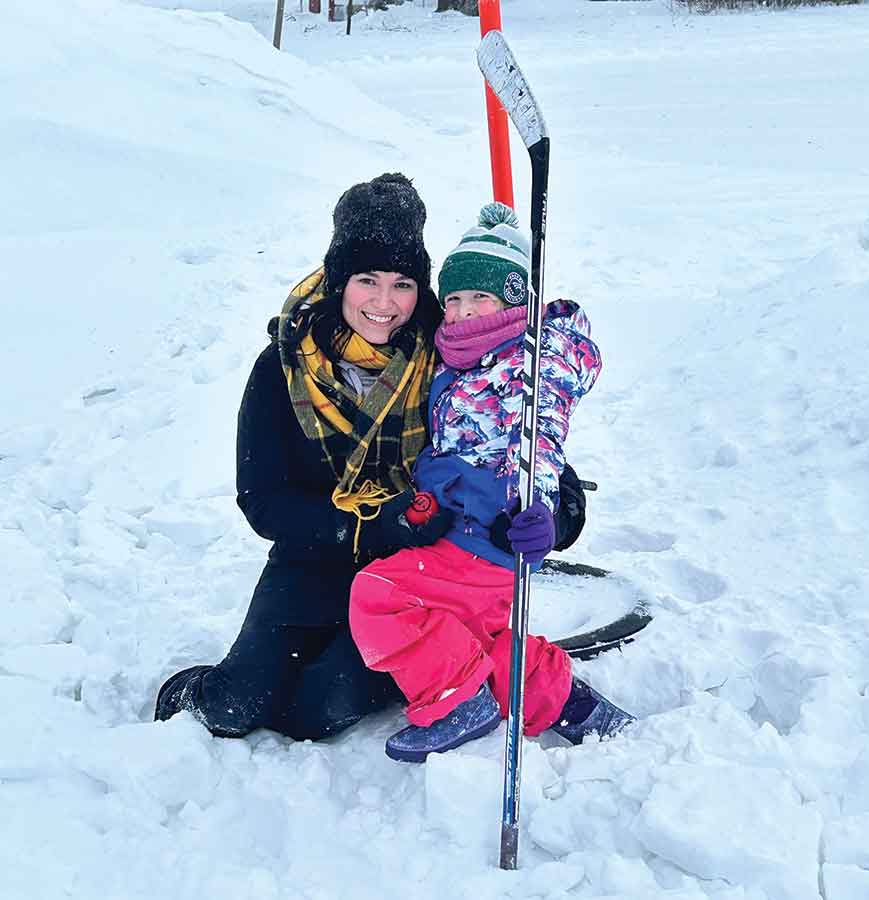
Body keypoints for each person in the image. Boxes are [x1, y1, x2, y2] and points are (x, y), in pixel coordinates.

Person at [154, 176, 587, 742]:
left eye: (402, 284)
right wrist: (371, 524)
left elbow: (537, 454)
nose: (384, 304)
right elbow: (262, 500)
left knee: (319, 711)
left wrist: (555, 519)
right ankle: (197, 693)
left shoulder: (452, 354)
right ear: (340, 281)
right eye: (367, 281)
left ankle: (485, 668)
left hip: (417, 579)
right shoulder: (284, 367)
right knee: (238, 705)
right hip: (316, 556)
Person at [349, 202, 635, 762]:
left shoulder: (531, 363)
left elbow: (540, 441)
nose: (461, 311)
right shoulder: (463, 356)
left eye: (479, 297)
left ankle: (456, 702)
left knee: (381, 595)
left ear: (513, 301)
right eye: (453, 298)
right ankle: (569, 703)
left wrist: (542, 510)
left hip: (489, 536)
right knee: (474, 637)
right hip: (462, 531)